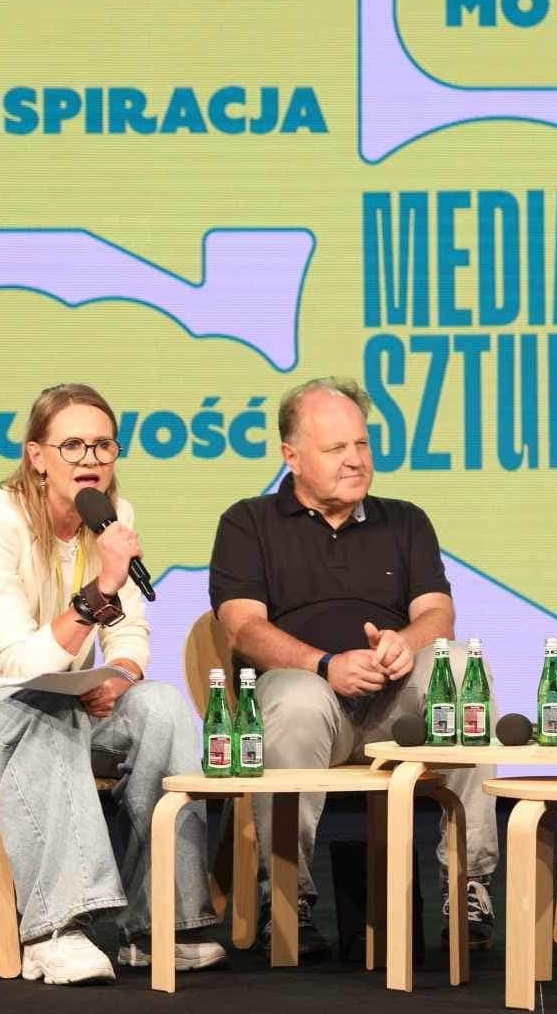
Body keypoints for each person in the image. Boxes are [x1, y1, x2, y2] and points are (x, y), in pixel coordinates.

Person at [0, 383, 225, 985]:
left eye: (103, 445)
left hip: (56, 707)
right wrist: (101, 589)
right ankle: (55, 930)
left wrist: (121, 676)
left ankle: (162, 924)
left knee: (159, 706)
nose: (90, 458)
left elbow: (130, 634)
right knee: (44, 710)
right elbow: (20, 664)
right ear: (37, 456)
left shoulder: (111, 519)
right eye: (72, 445)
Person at [207, 377, 499, 956]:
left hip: (395, 706)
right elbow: (243, 628)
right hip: (311, 702)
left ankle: (469, 883)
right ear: (291, 456)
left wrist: (403, 644)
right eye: (336, 448)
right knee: (295, 698)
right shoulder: (249, 522)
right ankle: (287, 896)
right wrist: (324, 665)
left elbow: (437, 614)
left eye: (362, 444)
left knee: (463, 667)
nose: (355, 459)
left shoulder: (405, 520)